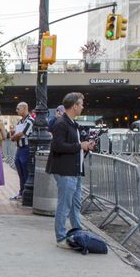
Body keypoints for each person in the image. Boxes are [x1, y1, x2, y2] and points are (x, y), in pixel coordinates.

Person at [47, 92, 95, 246]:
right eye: (81, 104)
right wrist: (79, 146)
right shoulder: (61, 123)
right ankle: (60, 237)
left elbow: (69, 146)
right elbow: (57, 146)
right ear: (74, 106)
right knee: (65, 204)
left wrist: (85, 147)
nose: (82, 107)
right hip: (65, 170)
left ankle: (77, 230)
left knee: (74, 204)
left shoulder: (71, 123)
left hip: (73, 170)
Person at [9, 102, 34, 200]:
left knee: (25, 170)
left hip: (26, 148)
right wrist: (15, 136)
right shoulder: (20, 122)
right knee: (20, 171)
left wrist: (14, 136)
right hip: (19, 148)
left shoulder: (30, 120)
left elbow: (22, 133)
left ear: (24, 108)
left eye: (18, 108)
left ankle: (25, 193)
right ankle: (21, 192)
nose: (17, 110)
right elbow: (17, 134)